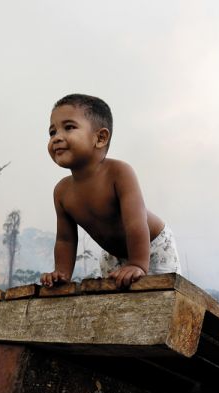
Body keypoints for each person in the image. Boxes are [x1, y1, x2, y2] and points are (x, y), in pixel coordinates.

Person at [40, 94, 181, 289]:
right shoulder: (62, 192)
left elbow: (135, 223)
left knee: (161, 295)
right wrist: (62, 273)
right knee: (116, 304)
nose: (57, 138)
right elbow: (65, 239)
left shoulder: (119, 173)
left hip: (152, 246)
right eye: (52, 132)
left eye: (69, 127)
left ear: (100, 138)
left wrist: (138, 264)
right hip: (112, 255)